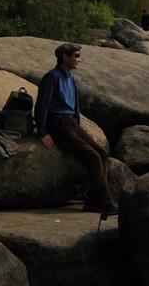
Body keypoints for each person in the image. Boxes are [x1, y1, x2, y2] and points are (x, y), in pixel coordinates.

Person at [34, 43, 117, 216]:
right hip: (57, 123)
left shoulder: (70, 77)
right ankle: (105, 203)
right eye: (77, 56)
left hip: (70, 123)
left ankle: (93, 201)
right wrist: (42, 132)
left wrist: (78, 127)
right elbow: (42, 105)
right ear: (65, 57)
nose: (80, 59)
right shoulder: (52, 77)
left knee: (101, 153)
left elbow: (75, 105)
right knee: (92, 157)